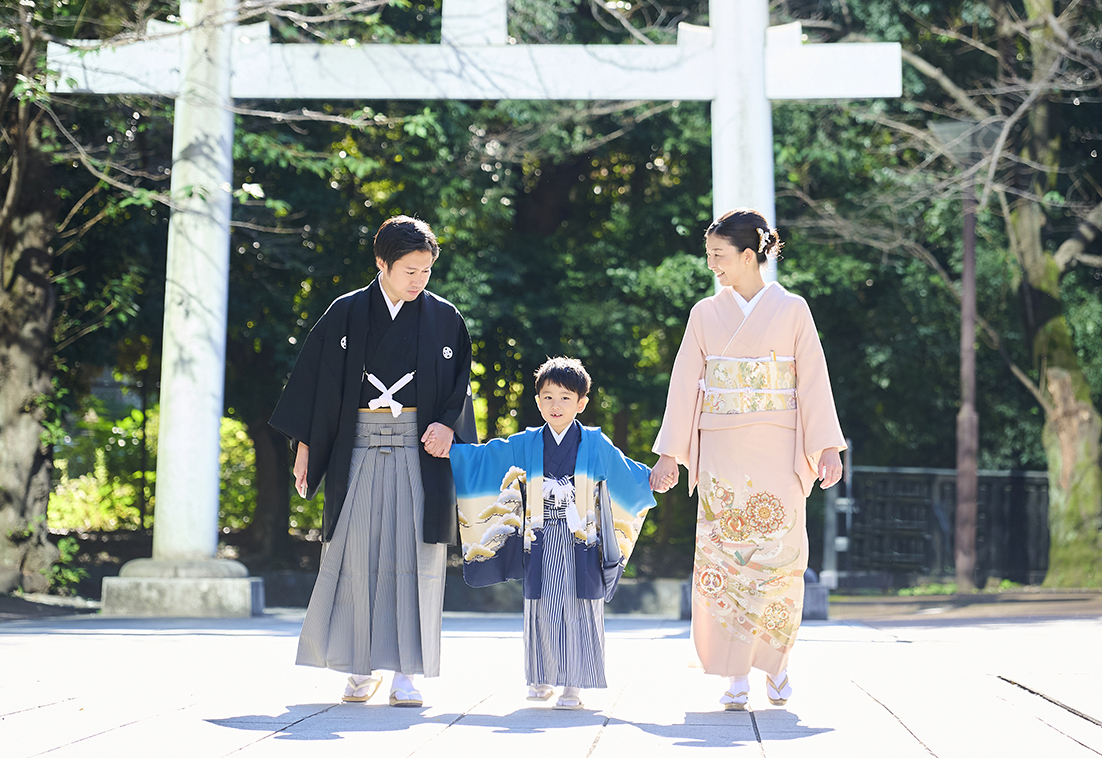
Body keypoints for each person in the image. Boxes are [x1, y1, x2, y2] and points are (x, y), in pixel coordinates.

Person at [269, 215, 477, 707]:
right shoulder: (346, 312)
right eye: (410, 270)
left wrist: (448, 425)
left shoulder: (444, 317)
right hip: (356, 443)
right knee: (353, 554)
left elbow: (460, 387)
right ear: (381, 263)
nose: (419, 280)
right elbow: (314, 385)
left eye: (426, 271)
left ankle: (408, 672)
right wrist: (305, 446)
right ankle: (358, 667)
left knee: (415, 558)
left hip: (417, 446)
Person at [649, 208, 845, 711]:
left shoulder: (794, 309)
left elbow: (814, 380)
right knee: (723, 557)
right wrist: (670, 453)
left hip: (778, 445)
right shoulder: (704, 314)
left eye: (719, 255)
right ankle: (733, 674)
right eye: (710, 255)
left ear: (749, 254)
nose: (712, 264)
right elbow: (683, 386)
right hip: (720, 450)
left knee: (779, 557)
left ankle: (775, 664)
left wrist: (825, 446)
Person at [448, 357, 656, 710]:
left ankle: (574, 683)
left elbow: (626, 473)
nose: (555, 405)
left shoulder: (594, 442)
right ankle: (542, 677)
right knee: (540, 605)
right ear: (537, 401)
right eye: (547, 397)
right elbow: (485, 458)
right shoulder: (526, 442)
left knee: (580, 605)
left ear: (581, 403)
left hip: (581, 537)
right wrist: (452, 452)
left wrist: (655, 477)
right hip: (540, 536)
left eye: (564, 397)